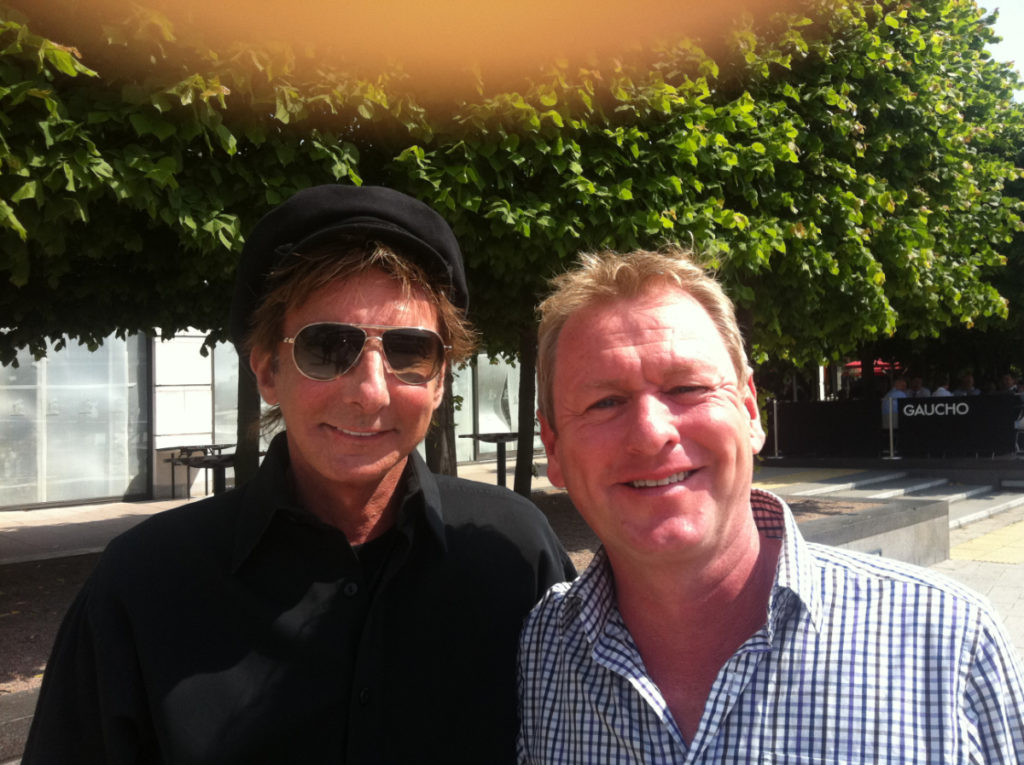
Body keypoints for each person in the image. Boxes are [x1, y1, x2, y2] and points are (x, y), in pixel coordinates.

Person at [24, 185, 575, 764]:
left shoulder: (518, 555)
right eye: (328, 347)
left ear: (439, 381)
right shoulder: (141, 587)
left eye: (409, 351)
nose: (370, 391)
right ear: (268, 371)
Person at [517, 248, 1024, 763]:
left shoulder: (949, 642)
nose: (651, 433)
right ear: (553, 448)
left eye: (687, 387)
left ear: (750, 411)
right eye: (605, 402)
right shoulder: (542, 648)